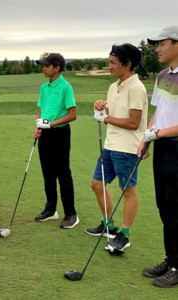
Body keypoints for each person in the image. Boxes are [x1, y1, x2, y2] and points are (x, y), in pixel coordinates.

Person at [85, 43, 148, 255]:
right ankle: (109, 226)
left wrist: (107, 117)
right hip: (111, 145)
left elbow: (134, 122)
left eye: (113, 63)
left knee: (128, 191)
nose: (109, 66)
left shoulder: (136, 88)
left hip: (128, 149)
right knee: (96, 184)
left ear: (127, 64)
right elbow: (114, 112)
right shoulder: (114, 86)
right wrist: (102, 106)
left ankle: (125, 234)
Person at [141, 25, 178, 288]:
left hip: (176, 146)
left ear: (176, 43)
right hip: (162, 144)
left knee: (176, 208)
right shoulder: (163, 75)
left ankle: (177, 266)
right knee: (164, 206)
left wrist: (159, 134)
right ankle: (172, 258)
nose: (157, 48)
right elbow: (159, 111)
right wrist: (146, 137)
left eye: (161, 43)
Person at [33, 52, 79, 229]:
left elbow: (72, 115)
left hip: (60, 134)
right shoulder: (44, 87)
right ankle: (50, 210)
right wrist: (38, 124)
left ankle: (71, 214)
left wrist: (50, 124)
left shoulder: (66, 87)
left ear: (57, 67)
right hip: (45, 134)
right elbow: (40, 108)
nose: (43, 68)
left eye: (46, 65)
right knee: (48, 173)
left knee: (63, 174)